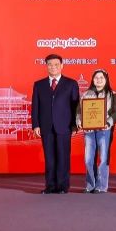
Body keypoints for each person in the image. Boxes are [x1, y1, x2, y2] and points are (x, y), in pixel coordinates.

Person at [30, 54, 81, 194]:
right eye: (50, 64)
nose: (53, 67)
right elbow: (35, 106)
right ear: (46, 66)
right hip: (46, 126)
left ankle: (62, 186)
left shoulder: (71, 84)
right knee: (49, 158)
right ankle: (50, 186)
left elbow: (76, 106)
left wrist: (74, 125)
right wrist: (36, 125)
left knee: (63, 157)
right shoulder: (39, 85)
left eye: (56, 64)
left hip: (64, 126)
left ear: (62, 66)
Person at [76, 68, 116, 194]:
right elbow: (79, 111)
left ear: (106, 80)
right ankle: (90, 185)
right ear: (92, 80)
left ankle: (102, 186)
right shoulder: (85, 94)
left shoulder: (113, 94)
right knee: (88, 159)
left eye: (101, 78)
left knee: (103, 158)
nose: (98, 80)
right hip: (88, 130)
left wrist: (108, 122)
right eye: (96, 78)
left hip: (104, 129)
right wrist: (79, 122)